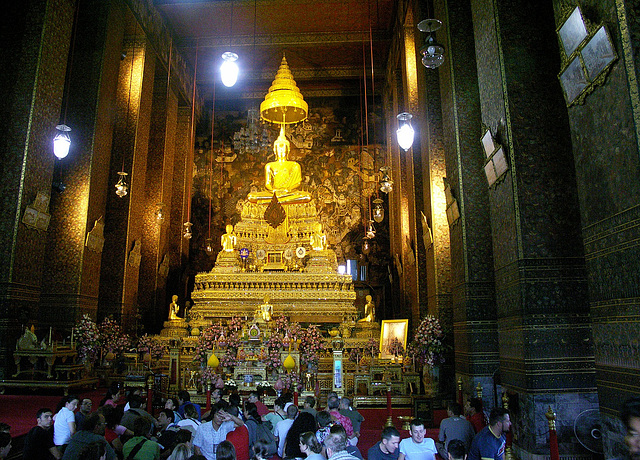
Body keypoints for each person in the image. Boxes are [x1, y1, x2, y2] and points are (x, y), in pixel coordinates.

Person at [247, 125, 311, 204]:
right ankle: (281, 200)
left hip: (289, 193)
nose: (281, 150)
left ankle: (275, 201)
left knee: (307, 196)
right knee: (251, 196)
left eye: (284, 148)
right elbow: (267, 183)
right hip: (274, 193)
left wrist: (287, 190)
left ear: (288, 150)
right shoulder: (269, 165)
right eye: (279, 148)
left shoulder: (294, 165)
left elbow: (298, 183)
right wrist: (274, 190)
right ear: (275, 150)